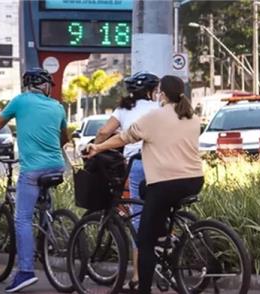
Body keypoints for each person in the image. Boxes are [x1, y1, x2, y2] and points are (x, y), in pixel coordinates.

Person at [85, 75, 204, 294]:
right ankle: (164, 234)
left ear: (163, 94)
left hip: (166, 183)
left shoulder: (154, 117)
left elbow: (124, 138)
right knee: (149, 200)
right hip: (195, 180)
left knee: (144, 240)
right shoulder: (192, 118)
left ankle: (143, 288)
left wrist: (97, 148)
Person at [0, 68, 70, 293]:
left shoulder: (20, 101)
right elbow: (64, 138)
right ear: (43, 85)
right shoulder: (58, 107)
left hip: (32, 170)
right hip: (57, 166)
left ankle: (26, 271)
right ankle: (47, 227)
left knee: (23, 219)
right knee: (42, 200)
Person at [93, 71, 160, 290]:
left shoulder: (124, 109)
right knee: (159, 209)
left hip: (137, 165)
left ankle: (138, 276)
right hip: (161, 164)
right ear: (151, 92)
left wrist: (94, 147)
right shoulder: (158, 108)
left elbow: (104, 132)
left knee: (138, 219)